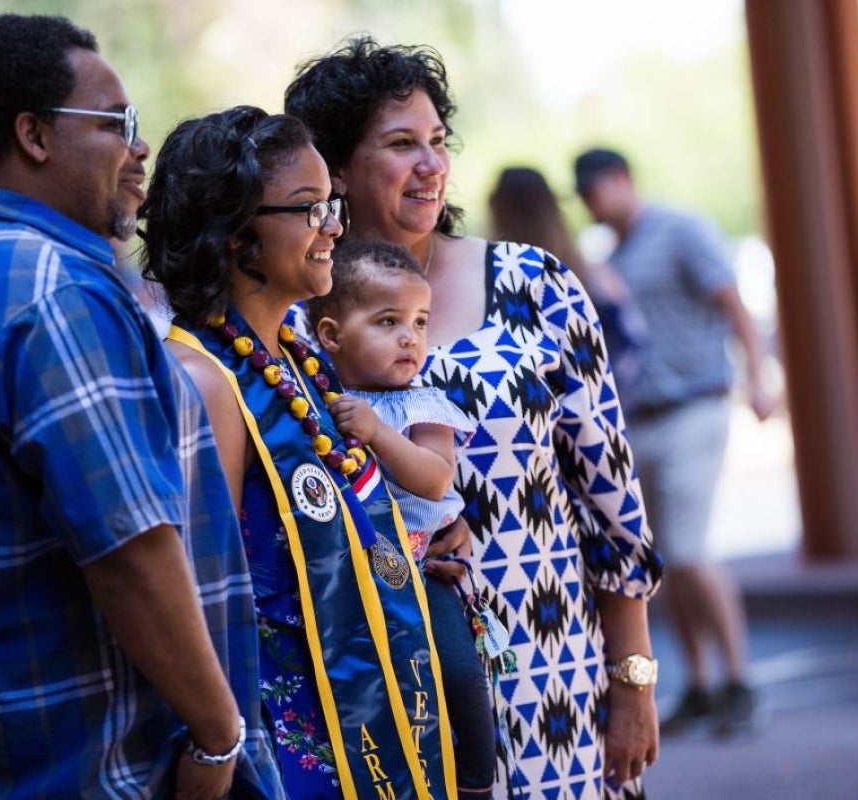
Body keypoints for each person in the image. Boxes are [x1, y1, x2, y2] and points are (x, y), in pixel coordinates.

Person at [0, 15, 282, 799]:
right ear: (34, 135)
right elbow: (131, 548)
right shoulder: (55, 293)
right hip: (90, 771)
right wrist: (221, 741)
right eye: (118, 123)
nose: (142, 149)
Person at [286, 37, 664, 800]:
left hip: (551, 676)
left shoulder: (535, 284)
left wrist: (633, 678)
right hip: (383, 684)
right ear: (336, 168)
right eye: (400, 145)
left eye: (437, 141)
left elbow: (612, 500)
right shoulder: (296, 321)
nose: (432, 165)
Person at [138, 105, 455, 799]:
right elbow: (194, 588)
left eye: (332, 205)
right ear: (234, 236)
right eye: (311, 209)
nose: (335, 227)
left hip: (368, 711)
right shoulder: (201, 378)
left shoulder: (298, 359)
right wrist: (214, 748)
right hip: (284, 741)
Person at [573, 147, 778, 739]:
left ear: (622, 180)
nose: (591, 203)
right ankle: (701, 684)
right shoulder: (612, 256)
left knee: (688, 551)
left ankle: (740, 681)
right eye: (583, 196)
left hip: (696, 406)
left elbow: (734, 306)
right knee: (661, 563)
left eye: (596, 190)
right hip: (641, 421)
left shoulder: (681, 229)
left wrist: (760, 381)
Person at [307, 238, 496, 797]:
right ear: (332, 336)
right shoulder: (314, 398)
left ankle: (477, 780)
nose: (410, 337)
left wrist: (375, 432)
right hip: (350, 577)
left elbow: (435, 476)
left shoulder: (424, 403)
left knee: (458, 671)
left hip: (419, 565)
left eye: (419, 321)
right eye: (388, 321)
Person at [488, 166, 645, 389]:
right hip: (603, 404)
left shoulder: (491, 284)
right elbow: (633, 338)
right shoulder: (592, 275)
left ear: (496, 209)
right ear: (554, 208)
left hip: (534, 410)